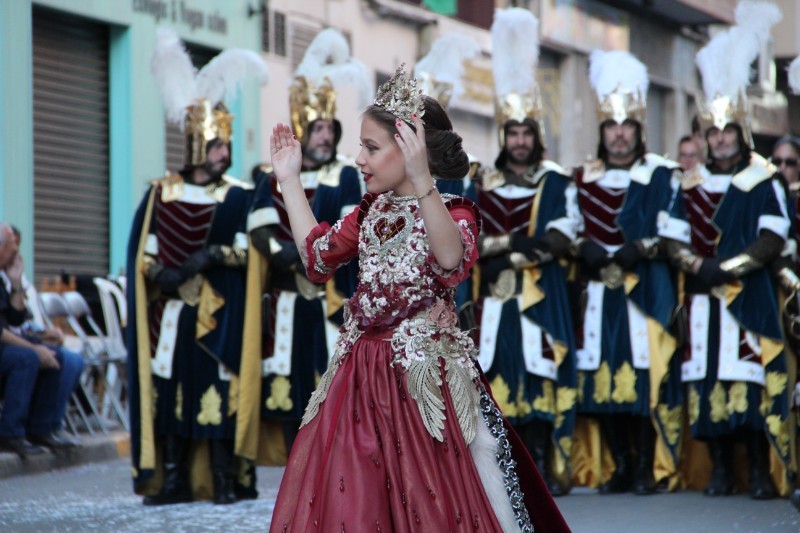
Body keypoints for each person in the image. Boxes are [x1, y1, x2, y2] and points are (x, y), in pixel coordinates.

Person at [267, 66, 569, 532]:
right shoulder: (368, 213)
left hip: (422, 381)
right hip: (360, 378)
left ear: (408, 148)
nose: (359, 159)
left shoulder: (454, 210)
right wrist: (289, 179)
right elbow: (317, 259)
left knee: (426, 498)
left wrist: (422, 177)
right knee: (357, 498)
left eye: (371, 148)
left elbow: (450, 259)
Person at [126, 28, 268, 505]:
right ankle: (173, 481)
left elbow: (252, 252)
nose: (223, 154)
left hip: (220, 309)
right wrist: (157, 273)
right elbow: (143, 249)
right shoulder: (161, 192)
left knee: (219, 393)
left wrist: (212, 256)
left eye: (225, 145)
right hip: (171, 312)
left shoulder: (237, 196)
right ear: (194, 145)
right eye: (214, 146)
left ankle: (225, 480)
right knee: (169, 396)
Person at [659, 5, 790, 499]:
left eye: (727, 131)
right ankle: (717, 470)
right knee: (707, 384)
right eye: (712, 133)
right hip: (701, 296)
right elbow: (670, 233)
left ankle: (756, 469)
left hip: (746, 293)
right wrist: (696, 265)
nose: (719, 139)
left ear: (740, 132)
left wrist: (727, 267)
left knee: (749, 384)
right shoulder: (688, 181)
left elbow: (773, 236)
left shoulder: (762, 177)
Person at [466, 7, 578, 496]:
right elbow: (467, 237)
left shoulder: (554, 181)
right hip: (493, 298)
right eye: (511, 133)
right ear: (503, 136)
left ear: (536, 136)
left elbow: (560, 239)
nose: (518, 141)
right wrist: (514, 244)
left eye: (525, 133)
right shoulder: (480, 182)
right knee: (498, 378)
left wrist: (507, 249)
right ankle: (507, 472)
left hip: (539, 296)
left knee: (539, 378)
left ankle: (546, 467)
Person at [248, 28, 368, 459]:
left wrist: (313, 258)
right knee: (283, 379)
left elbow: (352, 225)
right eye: (315, 128)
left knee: (327, 378)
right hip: (284, 293)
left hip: (330, 295)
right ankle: (293, 458)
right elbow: (259, 222)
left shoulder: (347, 174)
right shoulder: (271, 173)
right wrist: (284, 255)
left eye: (328, 127)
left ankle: (329, 455)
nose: (324, 136)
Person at [571, 50, 680, 496]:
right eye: (612, 127)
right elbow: (570, 228)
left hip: (644, 288)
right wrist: (585, 248)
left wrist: (644, 246)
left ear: (639, 129)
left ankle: (642, 468)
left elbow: (674, 231)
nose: (619, 134)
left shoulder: (661, 175)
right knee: (600, 379)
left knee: (641, 377)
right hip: (599, 291)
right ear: (603, 131)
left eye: (626, 126)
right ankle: (618, 465)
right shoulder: (582, 177)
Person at [0, 223, 84, 457]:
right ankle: (10, 432)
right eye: (13, 246)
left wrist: (16, 283)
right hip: (6, 349)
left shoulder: (3, 279)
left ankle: (42, 428)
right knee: (27, 357)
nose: (17, 252)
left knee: (60, 357)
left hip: (8, 346)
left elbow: (16, 319)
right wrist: (36, 349)